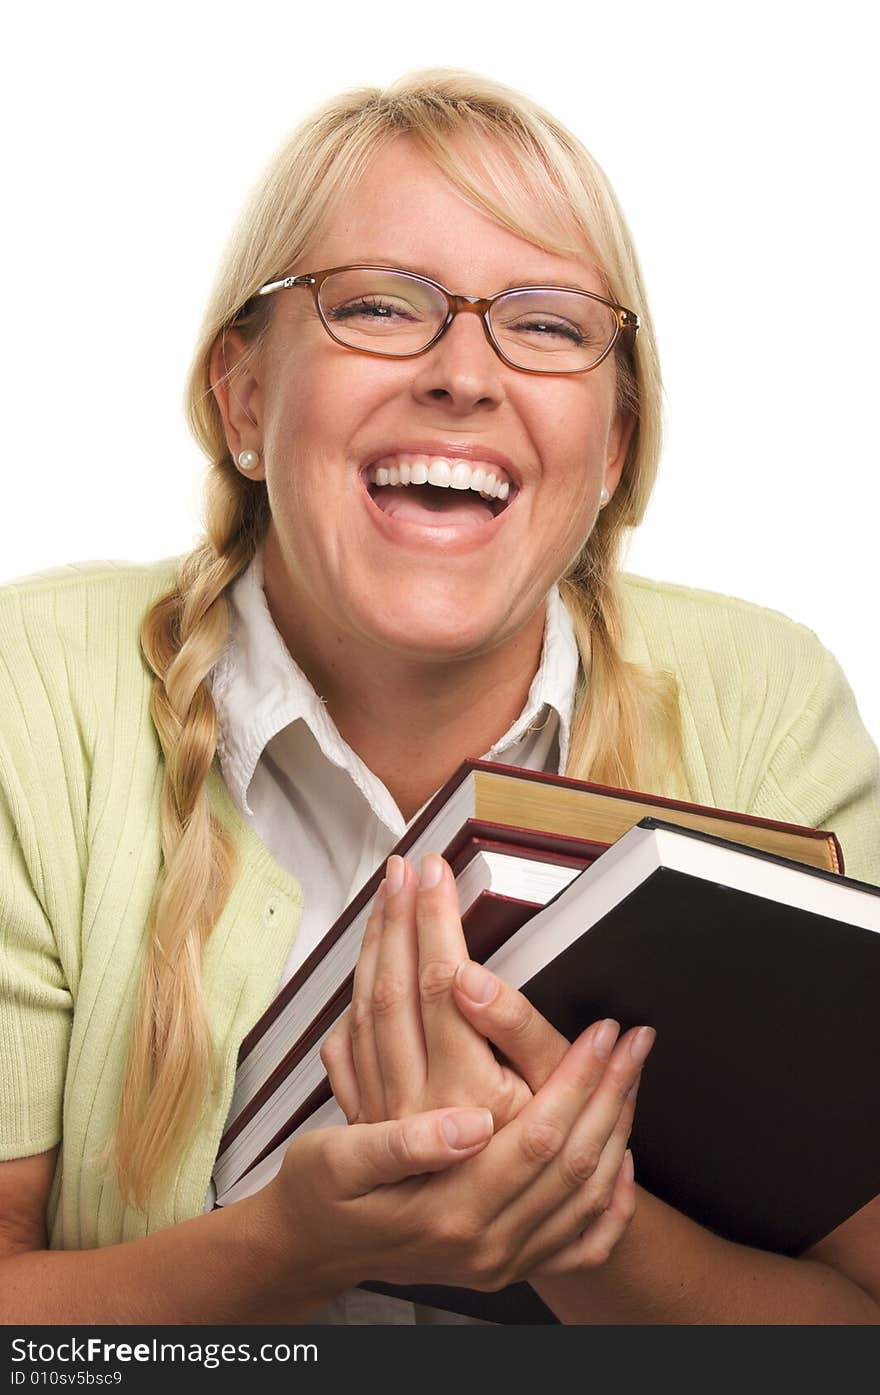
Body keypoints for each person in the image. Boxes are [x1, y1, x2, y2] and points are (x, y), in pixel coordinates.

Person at [1, 68, 879, 1327]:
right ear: (244, 398)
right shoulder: (27, 690)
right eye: (377, 305)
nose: (464, 374)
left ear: (613, 444)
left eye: (547, 324)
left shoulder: (769, 704)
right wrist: (283, 1246)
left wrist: (582, 1235)